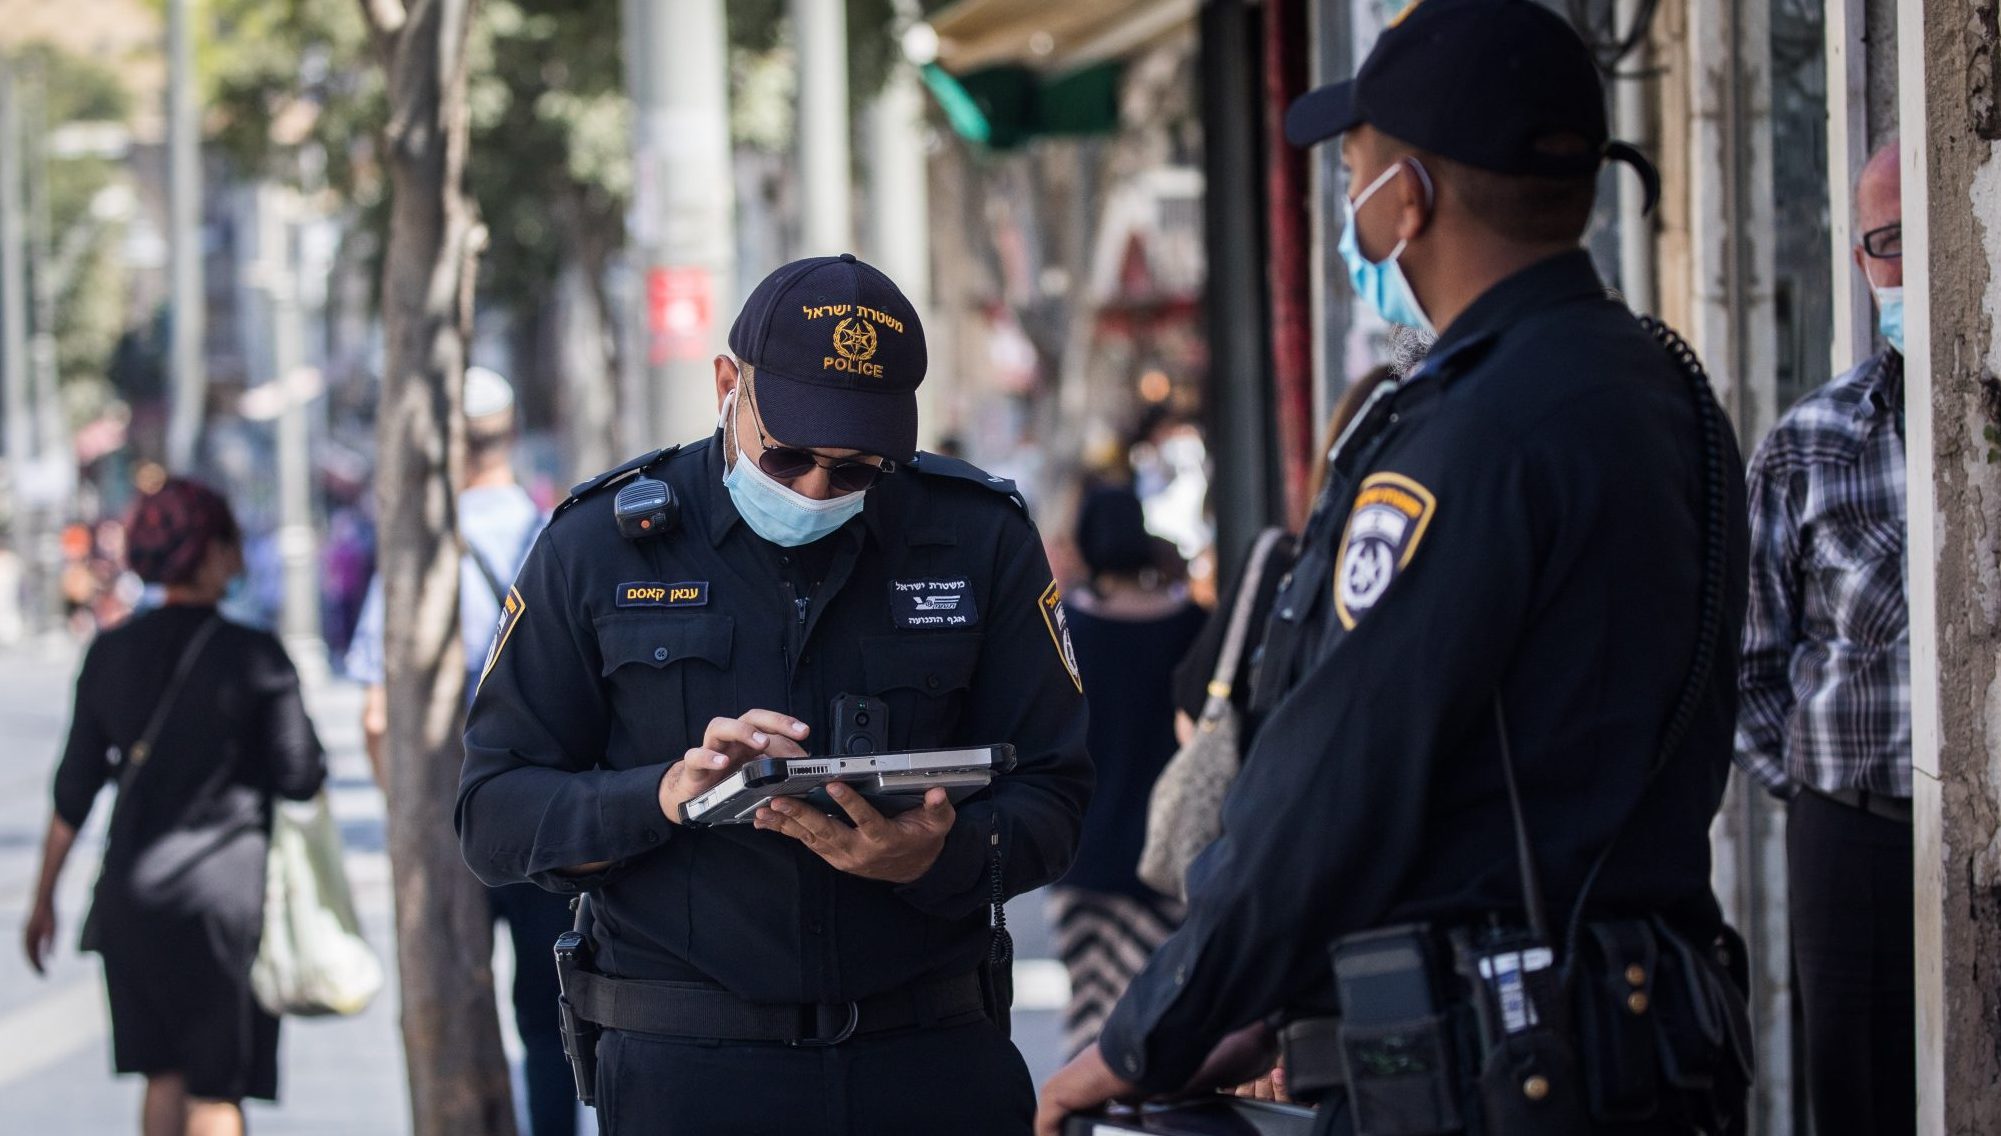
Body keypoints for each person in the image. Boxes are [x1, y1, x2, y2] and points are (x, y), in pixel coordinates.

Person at [1037, 2, 1751, 1133]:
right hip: (1632, 1036)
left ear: (1406, 199)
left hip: (1488, 1064)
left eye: (1356, 170)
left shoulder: (1467, 435)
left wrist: (1148, 1031)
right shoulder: (1661, 391)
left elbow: (1337, 782)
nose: (1351, 200)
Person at [458, 253, 1091, 1135]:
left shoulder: (976, 537)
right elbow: (493, 812)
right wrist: (664, 796)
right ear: (728, 385)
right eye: (789, 455)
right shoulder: (598, 547)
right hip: (693, 1071)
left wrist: (939, 856)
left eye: (858, 467)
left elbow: (1058, 793)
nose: (817, 488)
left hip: (929, 1058)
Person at [22, 478, 328, 1136]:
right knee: (218, 1088)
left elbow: (73, 789)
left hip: (131, 901)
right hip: (225, 903)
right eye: (231, 544)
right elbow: (301, 775)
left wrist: (43, 898)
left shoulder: (109, 653)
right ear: (212, 553)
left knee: (162, 1075)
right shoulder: (254, 657)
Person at [346, 366, 575, 1136]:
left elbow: (378, 714)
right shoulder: (559, 538)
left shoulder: (420, 551)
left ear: (449, 445)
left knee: (456, 1001)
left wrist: (407, 818)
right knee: (550, 1024)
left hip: (452, 821)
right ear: (510, 435)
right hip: (547, 815)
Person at [1734, 139, 1910, 1136]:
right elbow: (1749, 666)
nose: (1911, 265)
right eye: (1889, 242)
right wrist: (1817, 788)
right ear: (1858, 257)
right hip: (1855, 838)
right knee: (1861, 1094)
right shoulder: (1809, 440)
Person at [1048, 484, 1207, 1058]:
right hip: (1175, 858)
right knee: (1164, 1028)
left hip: (1086, 854)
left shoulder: (1067, 633)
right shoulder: (1194, 625)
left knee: (1094, 1019)